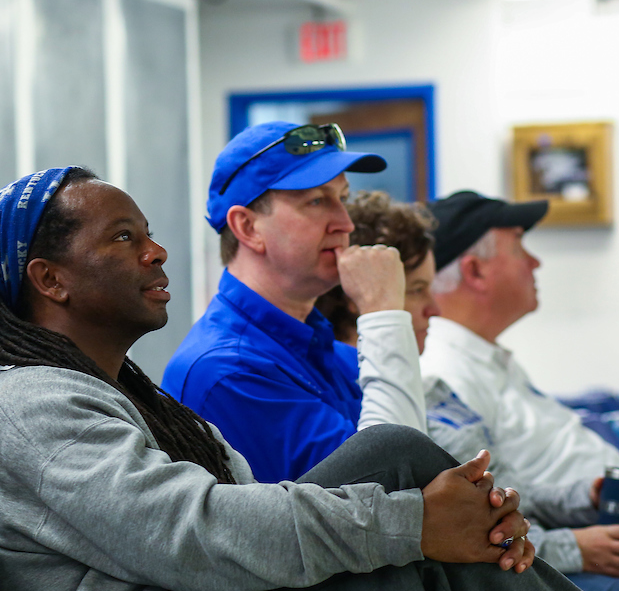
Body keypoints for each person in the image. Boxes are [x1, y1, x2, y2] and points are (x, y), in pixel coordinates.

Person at [0, 166, 619, 591]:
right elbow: (195, 536)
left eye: (148, 234)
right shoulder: (34, 406)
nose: (156, 252)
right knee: (396, 471)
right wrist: (414, 524)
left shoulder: (140, 399)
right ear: (51, 280)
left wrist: (437, 524)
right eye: (125, 238)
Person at [319, 189, 619, 591]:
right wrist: (574, 545)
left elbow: (504, 488)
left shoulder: (433, 381)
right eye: (416, 291)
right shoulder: (433, 372)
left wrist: (581, 499)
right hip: (504, 577)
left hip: (533, 549)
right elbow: (439, 522)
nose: (434, 309)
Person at [163, 121, 426, 483]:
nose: (345, 223)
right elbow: (391, 496)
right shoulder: (227, 372)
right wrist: (383, 314)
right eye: (316, 201)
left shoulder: (340, 358)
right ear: (248, 228)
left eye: (343, 198)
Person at [422, 190, 619, 591]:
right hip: (578, 553)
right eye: (519, 245)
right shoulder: (445, 373)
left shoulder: (484, 358)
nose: (535, 262)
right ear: (475, 271)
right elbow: (484, 513)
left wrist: (586, 496)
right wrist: (572, 546)